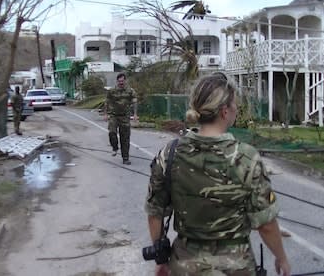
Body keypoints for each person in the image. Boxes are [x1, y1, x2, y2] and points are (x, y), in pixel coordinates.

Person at [145, 73, 291, 276]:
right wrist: (281, 258)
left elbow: (155, 214)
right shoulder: (246, 158)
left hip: (184, 265)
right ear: (224, 112)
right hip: (235, 267)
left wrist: (161, 259)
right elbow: (266, 224)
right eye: (235, 105)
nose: (236, 108)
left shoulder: (169, 155)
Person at [104, 73, 138, 165]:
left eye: (122, 81)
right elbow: (107, 102)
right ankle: (115, 147)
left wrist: (135, 114)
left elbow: (135, 102)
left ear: (125, 81)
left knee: (125, 138)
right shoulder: (112, 91)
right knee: (112, 132)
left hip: (125, 116)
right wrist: (106, 114)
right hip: (114, 115)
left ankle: (125, 158)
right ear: (117, 81)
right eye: (119, 81)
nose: (121, 83)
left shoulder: (130, 91)